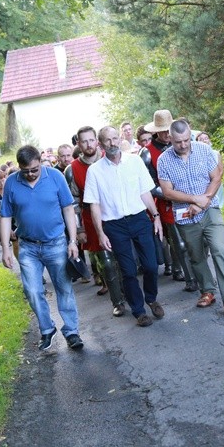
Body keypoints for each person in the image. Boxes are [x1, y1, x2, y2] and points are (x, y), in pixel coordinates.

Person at [0, 145, 84, 351]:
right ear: (19, 167)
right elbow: (5, 216)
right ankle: (47, 329)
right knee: (32, 291)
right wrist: (5, 248)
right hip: (27, 247)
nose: (30, 174)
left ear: (39, 162)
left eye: (34, 169)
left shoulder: (55, 176)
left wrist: (72, 240)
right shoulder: (11, 182)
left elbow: (67, 208)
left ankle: (71, 331)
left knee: (63, 288)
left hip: (55, 243)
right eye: (25, 170)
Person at [157, 120, 224, 315]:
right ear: (170, 138)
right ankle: (207, 290)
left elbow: (216, 177)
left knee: (219, 249)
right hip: (185, 216)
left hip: (210, 209)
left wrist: (202, 201)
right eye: (178, 141)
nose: (183, 145)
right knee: (196, 255)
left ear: (191, 135)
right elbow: (167, 192)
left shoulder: (204, 150)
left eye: (187, 140)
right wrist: (193, 200)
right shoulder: (163, 160)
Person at [84, 126, 165, 327]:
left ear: (120, 139)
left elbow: (145, 192)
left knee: (151, 265)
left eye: (115, 138)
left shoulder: (135, 161)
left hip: (139, 219)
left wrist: (155, 216)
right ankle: (138, 310)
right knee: (128, 271)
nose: (112, 143)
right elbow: (94, 204)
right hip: (114, 225)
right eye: (107, 140)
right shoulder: (94, 171)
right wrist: (100, 232)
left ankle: (152, 298)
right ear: (101, 145)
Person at [66, 126, 127, 316]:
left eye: (91, 140)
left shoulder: (111, 158)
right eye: (84, 141)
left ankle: (129, 294)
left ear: (97, 141)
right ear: (78, 144)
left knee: (124, 259)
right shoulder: (72, 169)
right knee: (106, 262)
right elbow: (73, 202)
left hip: (115, 213)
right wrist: (79, 229)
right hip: (91, 218)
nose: (88, 144)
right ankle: (117, 301)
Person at [141, 110, 194, 289]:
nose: (165, 134)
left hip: (188, 198)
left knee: (191, 238)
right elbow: (146, 183)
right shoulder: (146, 153)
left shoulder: (179, 145)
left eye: (167, 129)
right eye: (162, 130)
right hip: (164, 202)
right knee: (177, 240)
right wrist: (168, 193)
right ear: (156, 131)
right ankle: (187, 277)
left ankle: (186, 269)